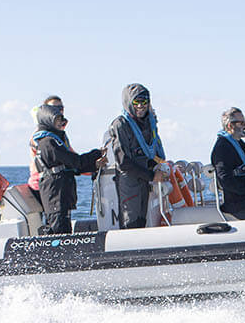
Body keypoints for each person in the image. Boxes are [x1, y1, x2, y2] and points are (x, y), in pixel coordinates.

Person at [104, 84, 170, 228]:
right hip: (129, 181)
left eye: (144, 102)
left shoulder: (148, 123)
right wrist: (152, 176)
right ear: (129, 102)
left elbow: (147, 153)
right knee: (131, 222)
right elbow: (123, 161)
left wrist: (157, 168)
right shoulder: (120, 124)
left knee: (142, 221)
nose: (140, 106)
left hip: (144, 180)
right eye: (136, 102)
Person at [32, 102, 102, 235]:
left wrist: (95, 164)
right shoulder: (49, 143)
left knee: (63, 225)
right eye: (57, 120)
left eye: (61, 120)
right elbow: (75, 162)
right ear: (48, 121)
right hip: (55, 195)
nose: (61, 123)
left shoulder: (52, 141)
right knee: (59, 228)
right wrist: (97, 154)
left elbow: (71, 167)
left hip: (59, 193)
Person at [27, 94, 64, 203]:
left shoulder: (59, 135)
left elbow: (70, 154)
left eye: (60, 108)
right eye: (54, 108)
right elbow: (60, 156)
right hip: (43, 185)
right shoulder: (41, 136)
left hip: (56, 184)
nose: (58, 111)